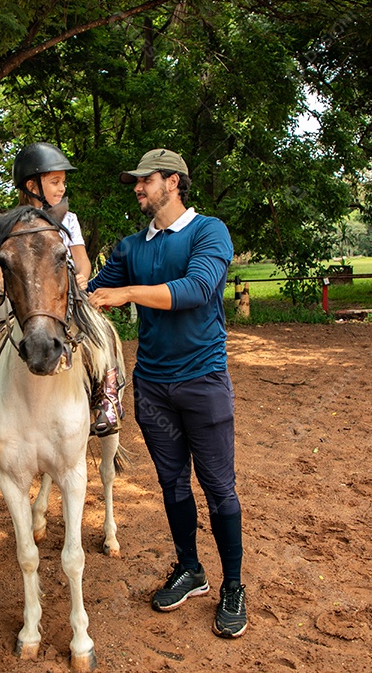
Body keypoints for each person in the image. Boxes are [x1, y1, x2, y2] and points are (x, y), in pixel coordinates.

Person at [86, 148, 246, 639]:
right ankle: (190, 570)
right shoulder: (131, 247)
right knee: (172, 484)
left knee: (218, 488)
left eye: (145, 180)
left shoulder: (208, 232)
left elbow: (198, 289)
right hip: (152, 386)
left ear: (173, 182)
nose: (137, 188)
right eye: (135, 181)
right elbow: (90, 290)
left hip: (202, 380)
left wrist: (130, 293)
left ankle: (234, 587)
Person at [0, 142, 123, 435]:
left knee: (101, 331)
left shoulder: (68, 219)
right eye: (55, 181)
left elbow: (81, 260)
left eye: (63, 182)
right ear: (32, 184)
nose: (61, 188)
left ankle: (108, 397)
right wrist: (2, 278)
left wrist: (82, 277)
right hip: (22, 296)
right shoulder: (7, 222)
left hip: (61, 295)